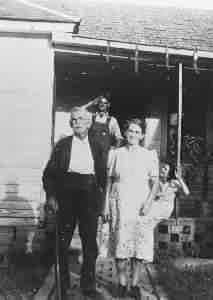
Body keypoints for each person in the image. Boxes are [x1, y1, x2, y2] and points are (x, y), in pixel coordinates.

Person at [41, 107, 108, 299]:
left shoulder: (97, 146)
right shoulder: (62, 145)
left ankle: (88, 286)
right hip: (67, 196)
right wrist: (51, 197)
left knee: (90, 245)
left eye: (80, 119)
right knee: (62, 243)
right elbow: (48, 175)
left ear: (88, 123)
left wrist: (101, 201)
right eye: (73, 120)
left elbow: (103, 177)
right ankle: (63, 287)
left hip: (89, 197)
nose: (76, 123)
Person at [103, 118, 159, 299]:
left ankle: (134, 284)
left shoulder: (149, 155)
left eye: (137, 132)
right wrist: (105, 205)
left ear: (142, 135)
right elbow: (109, 180)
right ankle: (121, 282)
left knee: (138, 246)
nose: (133, 134)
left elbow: (155, 181)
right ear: (125, 133)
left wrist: (149, 202)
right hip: (120, 202)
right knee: (120, 242)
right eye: (130, 131)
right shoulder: (115, 153)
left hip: (141, 203)